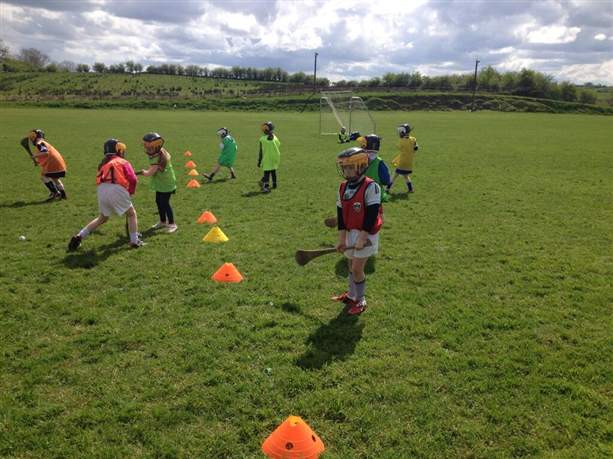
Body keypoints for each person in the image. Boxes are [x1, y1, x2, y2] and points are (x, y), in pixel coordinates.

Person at [333, 147, 383, 315]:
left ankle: (361, 300)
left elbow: (371, 215)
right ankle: (352, 294)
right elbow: (341, 216)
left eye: (349, 167)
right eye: (344, 167)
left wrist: (362, 238)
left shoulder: (371, 187)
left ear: (361, 166)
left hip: (367, 234)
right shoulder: (342, 187)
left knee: (357, 268)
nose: (345, 171)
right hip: (350, 231)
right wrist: (341, 239)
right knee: (349, 263)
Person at [68, 139, 143, 251]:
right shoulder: (122, 161)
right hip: (116, 189)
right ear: (117, 149)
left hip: (101, 189)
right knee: (131, 214)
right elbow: (133, 179)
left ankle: (79, 236)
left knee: (102, 218)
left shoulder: (103, 163)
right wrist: (131, 191)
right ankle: (134, 241)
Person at [137, 132, 178, 233]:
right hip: (161, 182)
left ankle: (172, 224)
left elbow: (149, 173)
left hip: (166, 183)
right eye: (146, 146)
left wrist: (140, 172)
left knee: (165, 203)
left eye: (150, 147)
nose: (147, 149)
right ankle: (163, 221)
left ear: (156, 146)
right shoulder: (159, 152)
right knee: (158, 201)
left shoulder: (158, 156)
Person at [22, 129, 67, 201]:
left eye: (32, 137)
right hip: (58, 163)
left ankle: (56, 193)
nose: (31, 139)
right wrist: (37, 161)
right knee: (55, 179)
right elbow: (45, 155)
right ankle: (63, 195)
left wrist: (34, 156)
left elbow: (45, 152)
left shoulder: (39, 143)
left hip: (53, 163)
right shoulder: (42, 142)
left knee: (44, 177)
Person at [357, 134, 392, 202]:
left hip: (359, 194)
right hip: (376, 196)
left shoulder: (357, 160)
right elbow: (386, 181)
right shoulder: (379, 162)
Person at [388, 123, 419, 193]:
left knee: (395, 175)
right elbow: (416, 147)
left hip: (402, 162)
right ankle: (410, 189)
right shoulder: (413, 139)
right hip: (409, 162)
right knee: (405, 175)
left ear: (403, 132)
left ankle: (387, 188)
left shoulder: (401, 141)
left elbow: (399, 147)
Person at [257, 121, 281, 193]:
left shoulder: (262, 139)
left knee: (266, 173)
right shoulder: (275, 137)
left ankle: (266, 187)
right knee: (273, 171)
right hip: (275, 157)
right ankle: (274, 185)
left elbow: (261, 151)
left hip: (267, 158)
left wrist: (259, 160)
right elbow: (278, 144)